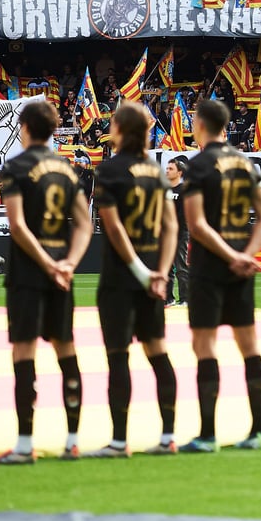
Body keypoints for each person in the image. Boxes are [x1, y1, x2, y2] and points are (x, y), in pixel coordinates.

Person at [0, 101, 94, 463]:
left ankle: (23, 445)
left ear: (25, 128)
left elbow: (17, 226)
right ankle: (73, 440)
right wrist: (67, 263)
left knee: (24, 352)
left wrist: (49, 265)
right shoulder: (66, 169)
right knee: (66, 349)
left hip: (28, 273)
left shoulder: (15, 167)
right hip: (61, 274)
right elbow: (85, 224)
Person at [180, 99, 261, 452]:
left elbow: (197, 225)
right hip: (241, 269)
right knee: (248, 344)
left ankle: (207, 435)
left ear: (201, 124)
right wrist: (246, 255)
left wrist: (231, 255)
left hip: (209, 267)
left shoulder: (199, 165)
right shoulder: (245, 164)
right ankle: (259, 431)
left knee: (204, 346)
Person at [86, 101, 179, 458]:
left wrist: (140, 272)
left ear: (120, 131)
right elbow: (170, 225)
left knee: (118, 357)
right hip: (156, 276)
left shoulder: (108, 170)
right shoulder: (157, 174)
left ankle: (120, 441)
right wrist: (161, 272)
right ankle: (169, 435)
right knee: (158, 353)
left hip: (121, 279)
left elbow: (112, 226)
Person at [164, 158, 190, 307]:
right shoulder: (165, 190)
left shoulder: (184, 190)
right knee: (166, 268)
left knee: (180, 267)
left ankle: (185, 299)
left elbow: (183, 215)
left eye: (171, 168)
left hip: (180, 233)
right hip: (166, 234)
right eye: (167, 168)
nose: (167, 171)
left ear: (179, 172)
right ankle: (168, 298)